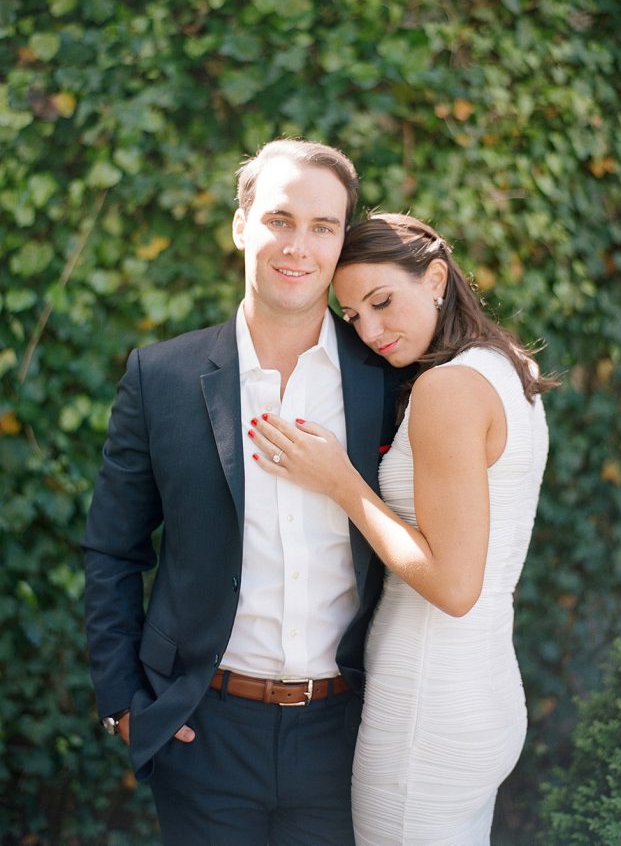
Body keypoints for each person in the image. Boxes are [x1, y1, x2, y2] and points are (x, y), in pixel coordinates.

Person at [82, 141, 408, 845]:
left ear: (342, 241)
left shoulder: (386, 379)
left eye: (323, 227)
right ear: (240, 225)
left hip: (349, 735)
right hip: (205, 736)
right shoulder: (159, 378)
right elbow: (111, 549)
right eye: (279, 220)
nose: (298, 246)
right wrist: (126, 707)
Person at [248, 212, 557, 845]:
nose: (371, 330)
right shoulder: (509, 370)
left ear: (437, 278)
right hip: (485, 688)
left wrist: (340, 482)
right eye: (354, 314)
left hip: (427, 704)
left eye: (383, 301)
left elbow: (452, 585)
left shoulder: (447, 389)